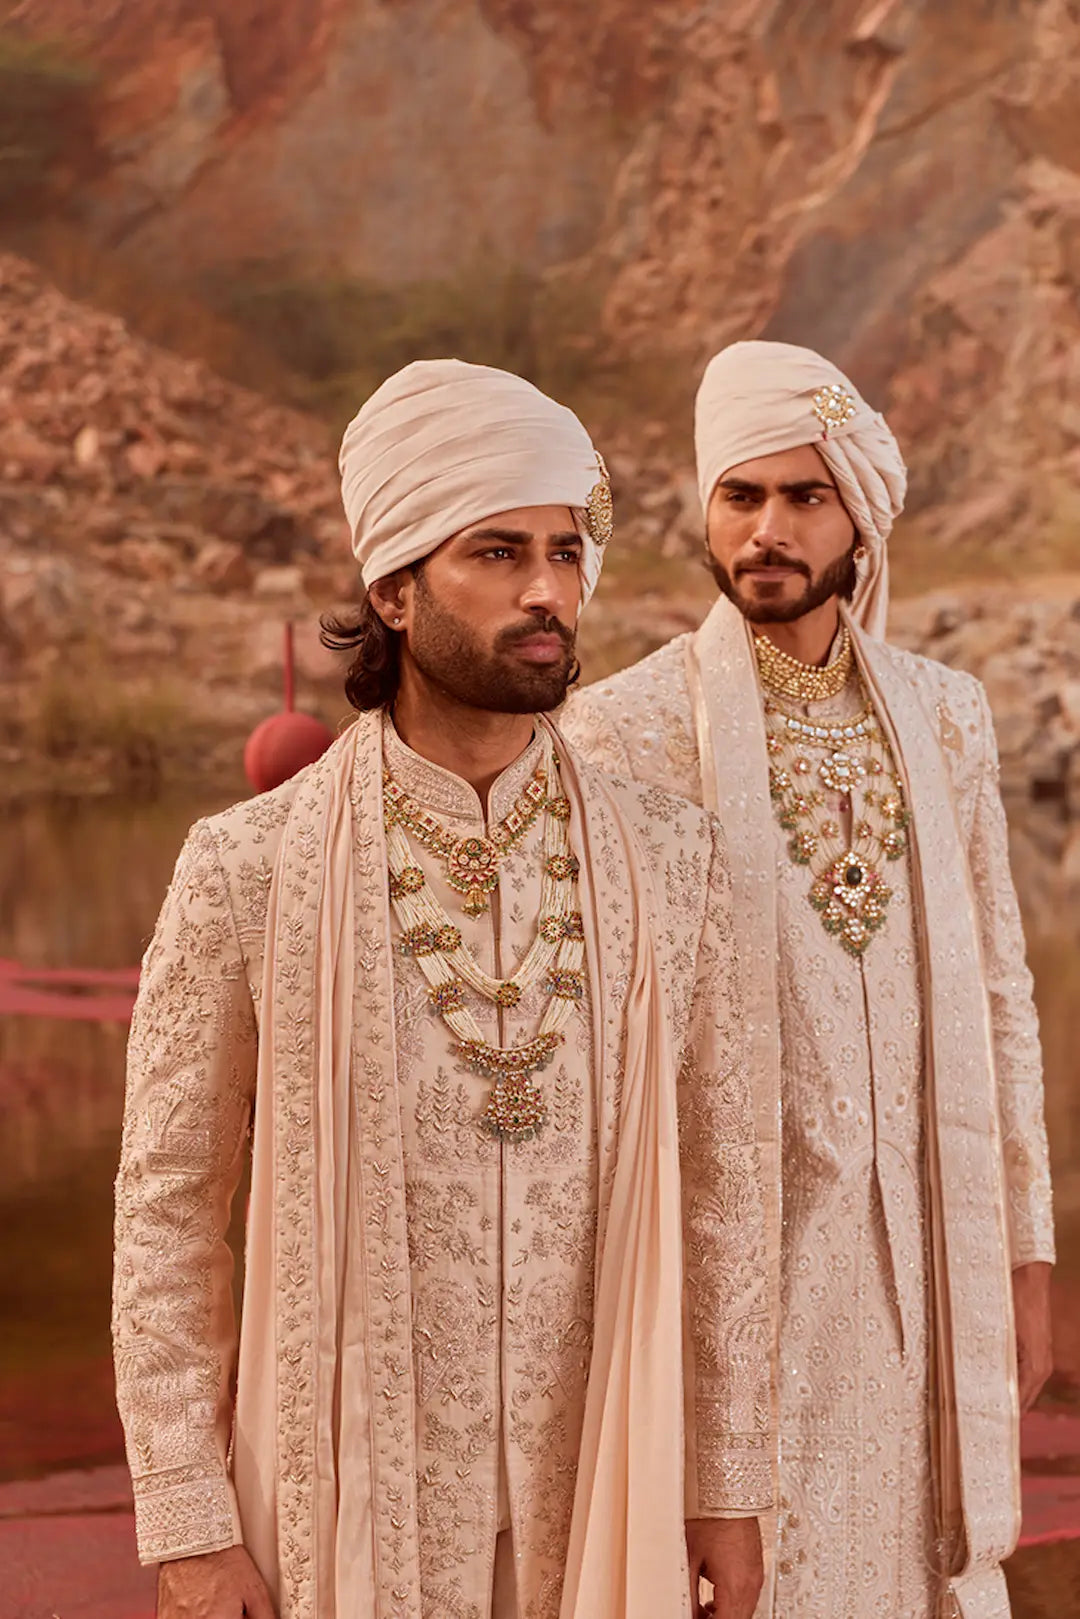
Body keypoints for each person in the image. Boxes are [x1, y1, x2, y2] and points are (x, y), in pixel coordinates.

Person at [112, 358, 773, 1619]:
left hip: (605, 1480)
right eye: (497, 551)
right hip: (340, 1503)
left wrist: (730, 1480)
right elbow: (169, 1212)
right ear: (395, 590)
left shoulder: (675, 861)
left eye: (568, 551)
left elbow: (727, 1193)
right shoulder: (246, 868)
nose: (547, 590)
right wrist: (189, 1523)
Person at [561, 340, 1055, 1619]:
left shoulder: (946, 714)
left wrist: (1027, 1255)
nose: (767, 529)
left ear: (860, 520)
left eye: (803, 496)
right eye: (741, 495)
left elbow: (1001, 991)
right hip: (744, 1273)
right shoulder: (629, 726)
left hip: (931, 1261)